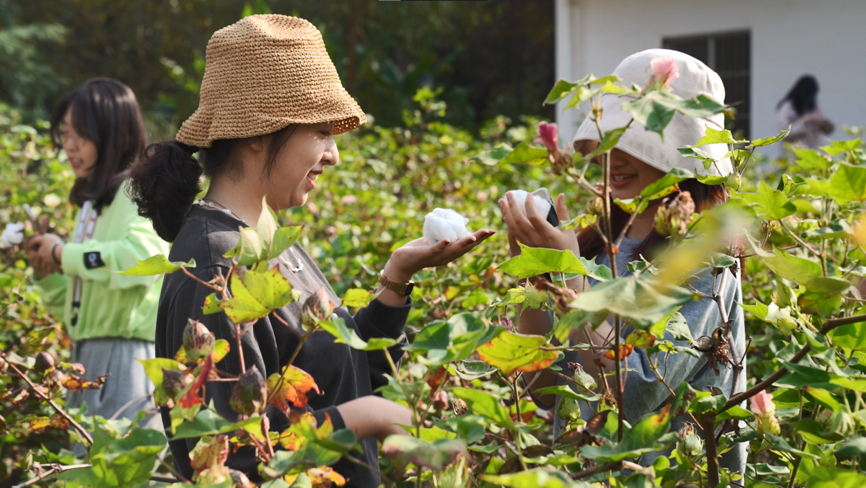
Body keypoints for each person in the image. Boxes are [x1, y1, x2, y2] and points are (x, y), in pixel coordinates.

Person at [127, 15, 494, 484]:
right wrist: (367, 416)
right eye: (320, 132)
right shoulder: (215, 261)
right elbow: (234, 459)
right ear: (259, 133)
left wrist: (396, 281)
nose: (334, 154)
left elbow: (341, 378)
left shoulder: (262, 234)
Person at [499, 49, 747, 475]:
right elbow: (545, 389)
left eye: (636, 142)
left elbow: (634, 395)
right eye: (609, 139)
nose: (611, 158)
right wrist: (537, 278)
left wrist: (572, 283)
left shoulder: (707, 256)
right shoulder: (600, 243)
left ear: (683, 154)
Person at [24, 78, 168, 431]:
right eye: (65, 135)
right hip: (87, 356)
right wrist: (49, 271)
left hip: (125, 359)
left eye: (80, 135)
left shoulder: (138, 192)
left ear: (113, 134)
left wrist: (63, 253)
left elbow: (143, 260)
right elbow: (80, 309)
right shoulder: (91, 206)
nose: (69, 146)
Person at [777, 75, 834, 151]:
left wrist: (823, 123)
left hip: (815, 151)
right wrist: (804, 122)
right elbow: (783, 133)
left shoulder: (813, 108)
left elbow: (828, 129)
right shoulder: (787, 107)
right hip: (794, 153)